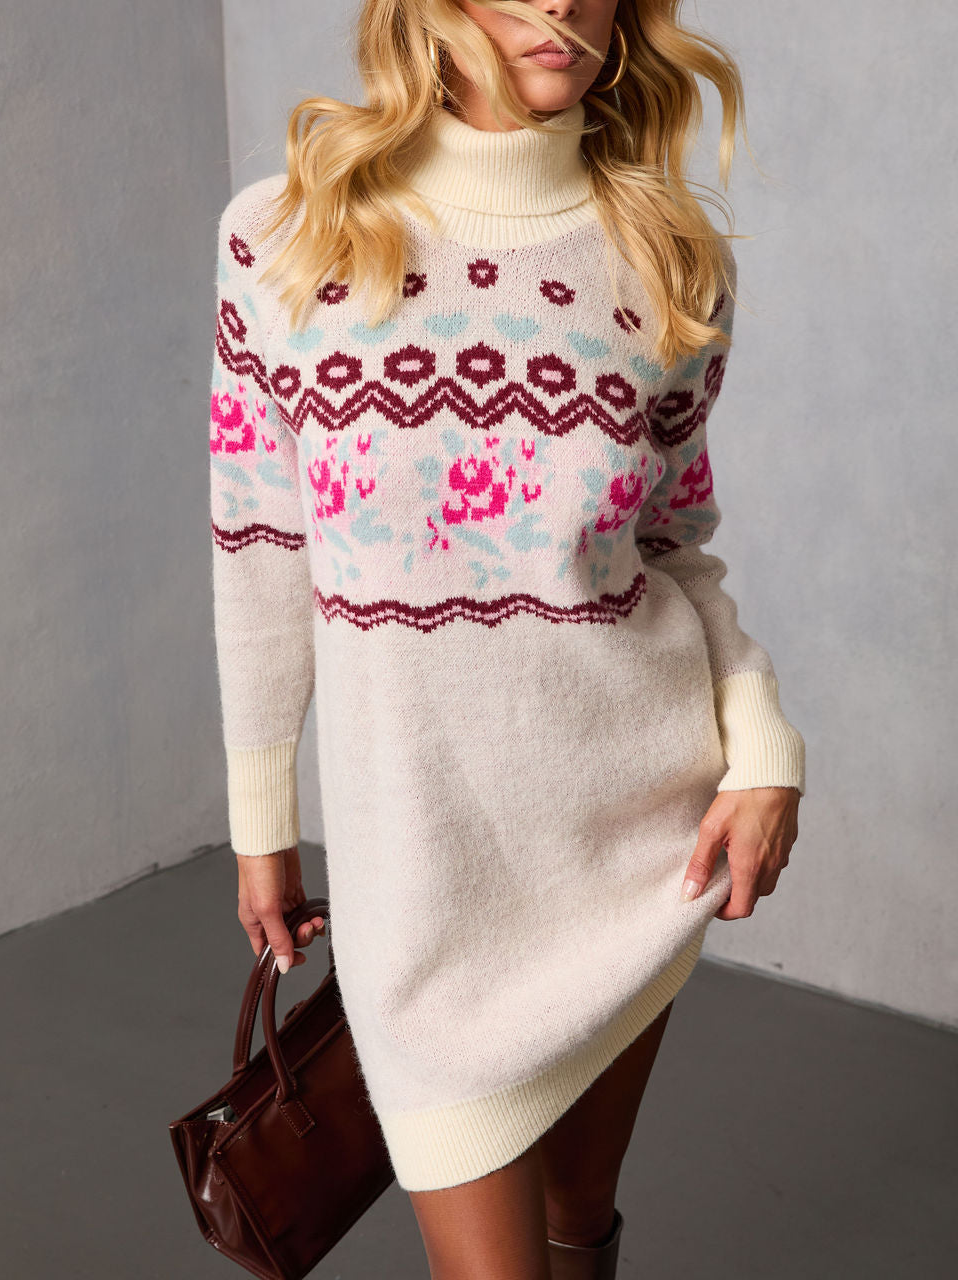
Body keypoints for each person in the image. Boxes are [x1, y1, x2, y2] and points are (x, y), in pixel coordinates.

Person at [209, 2, 805, 1276]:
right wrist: (262, 820)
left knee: (579, 1220)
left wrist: (763, 744)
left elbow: (672, 547)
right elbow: (258, 542)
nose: (560, 4)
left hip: (633, 841)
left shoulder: (667, 253)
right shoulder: (286, 236)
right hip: (419, 874)